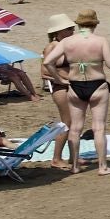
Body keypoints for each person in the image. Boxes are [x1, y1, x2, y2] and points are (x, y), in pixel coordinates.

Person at [44, 9, 110, 176]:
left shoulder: (68, 42)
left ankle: (75, 165)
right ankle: (102, 166)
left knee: (75, 128)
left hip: (75, 85)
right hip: (97, 84)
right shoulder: (101, 40)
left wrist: (59, 79)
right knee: (99, 128)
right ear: (95, 24)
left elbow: (48, 62)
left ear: (77, 24)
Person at [38, 13, 76, 167]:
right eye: (69, 29)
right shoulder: (51, 47)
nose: (73, 31)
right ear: (59, 31)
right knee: (67, 123)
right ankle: (56, 158)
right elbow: (44, 72)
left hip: (73, 86)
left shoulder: (68, 45)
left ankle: (73, 157)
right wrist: (62, 80)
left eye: (73, 28)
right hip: (61, 88)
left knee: (76, 123)